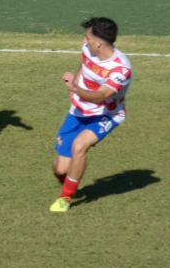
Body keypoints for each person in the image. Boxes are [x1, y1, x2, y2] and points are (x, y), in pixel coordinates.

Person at [50, 17, 132, 213]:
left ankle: (65, 198)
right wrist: (75, 85)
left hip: (106, 114)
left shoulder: (121, 69)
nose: (84, 41)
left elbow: (101, 96)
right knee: (60, 169)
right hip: (78, 111)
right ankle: (71, 182)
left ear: (99, 42)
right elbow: (84, 65)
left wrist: (75, 88)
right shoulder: (88, 49)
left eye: (87, 37)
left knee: (80, 146)